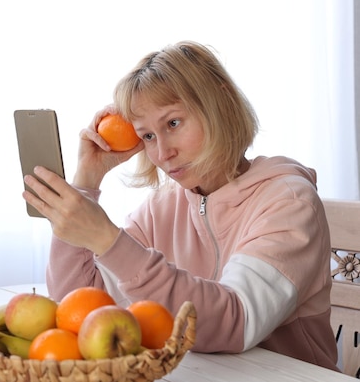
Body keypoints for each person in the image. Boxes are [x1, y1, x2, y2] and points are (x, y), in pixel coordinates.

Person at [22, 40, 339, 371]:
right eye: (147, 136)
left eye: (173, 123)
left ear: (220, 102)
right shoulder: (164, 205)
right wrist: (86, 182)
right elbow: (80, 309)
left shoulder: (288, 201)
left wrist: (108, 241)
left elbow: (235, 323)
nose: (162, 153)